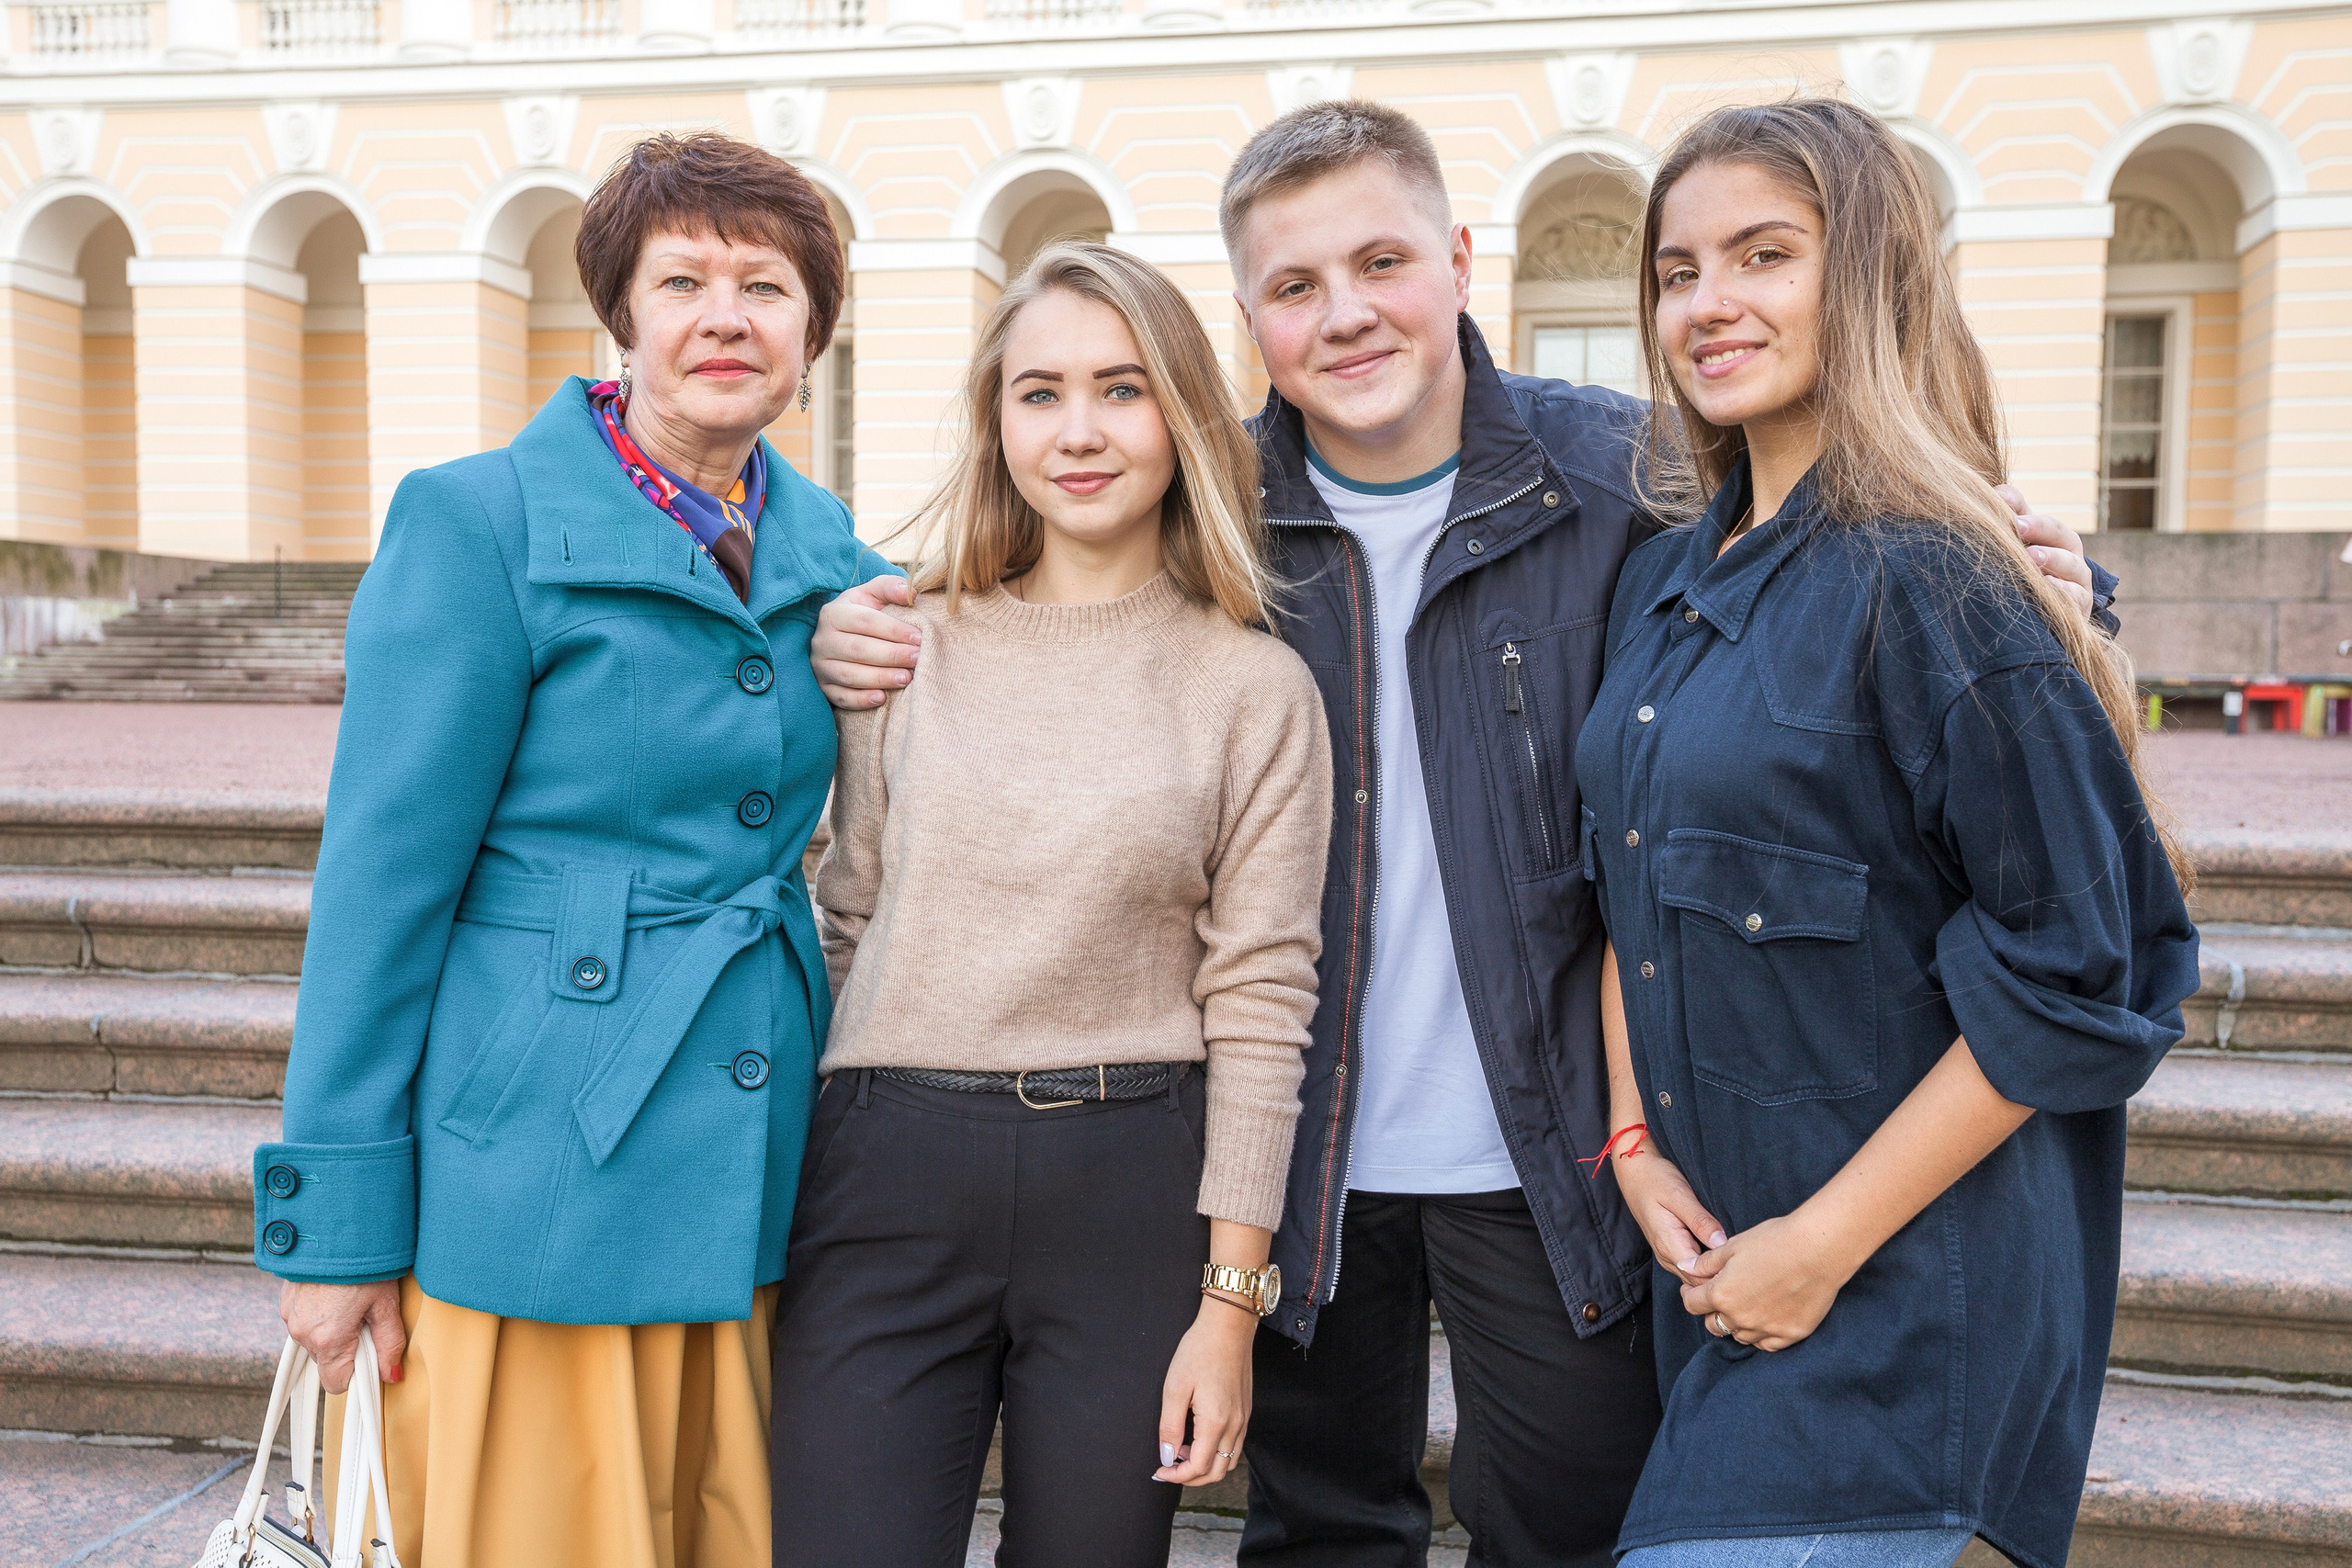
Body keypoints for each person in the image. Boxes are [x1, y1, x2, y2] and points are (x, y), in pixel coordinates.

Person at [809, 102, 2110, 1565]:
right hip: (1302, 1156)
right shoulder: (1211, 495)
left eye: (1383, 262)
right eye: (1296, 289)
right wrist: (864, 619)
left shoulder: (1629, 473)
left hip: (1549, 1147)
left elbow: (1846, 540)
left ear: (1460, 260)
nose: (1347, 315)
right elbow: (1050, 588)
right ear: (1249, 320)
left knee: (1559, 1528)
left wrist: (2066, 582)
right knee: (1317, 1533)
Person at [1579, 99, 2200, 1566]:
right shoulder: (1659, 581)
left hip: (1912, 1313)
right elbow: (1627, 891)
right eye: (1678, 272)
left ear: (1865, 278)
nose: (1710, 303)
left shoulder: (1942, 583)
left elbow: (2077, 973)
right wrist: (1633, 1142)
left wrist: (1820, 1246)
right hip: (1728, 1284)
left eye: (1764, 255)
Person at [252, 132, 870, 1566]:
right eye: (685, 280)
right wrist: (338, 1230)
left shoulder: (828, 541)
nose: (727, 315)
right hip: (533, 1170)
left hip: (748, 1164)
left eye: (768, 287)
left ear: (812, 341)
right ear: (622, 314)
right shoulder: (478, 522)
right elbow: (380, 893)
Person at [766, 243, 1332, 1567]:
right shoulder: (904, 645)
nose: (1078, 432)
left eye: (1121, 390)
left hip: (1133, 1186)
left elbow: (1261, 1003)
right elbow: (846, 916)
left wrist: (1230, 1307)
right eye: (1039, 394)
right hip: (886, 1170)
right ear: (996, 421)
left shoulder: (1256, 692)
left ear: (1183, 415)